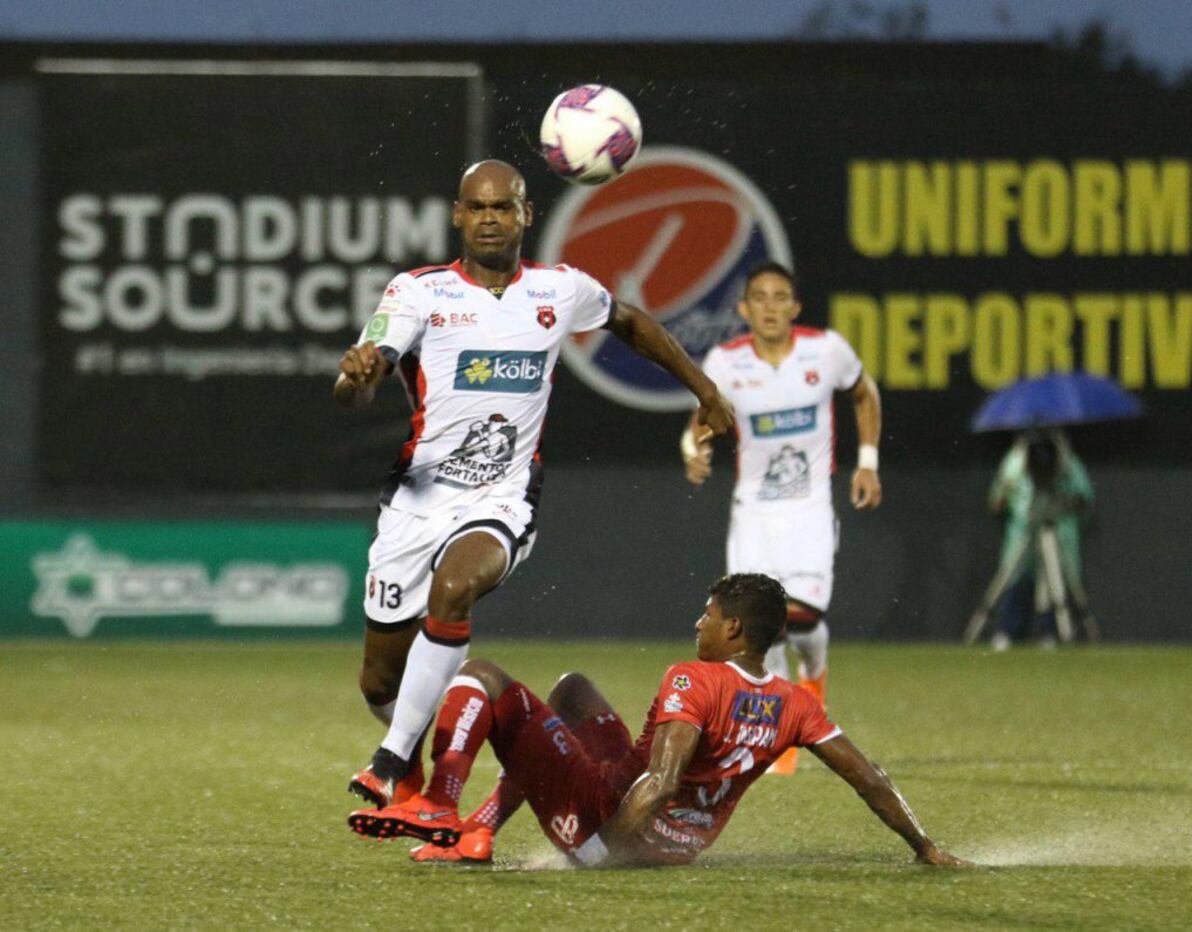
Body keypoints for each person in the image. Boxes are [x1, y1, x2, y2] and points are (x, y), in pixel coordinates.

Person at [335, 160, 734, 810]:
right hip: (418, 502)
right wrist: (356, 378)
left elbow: (629, 321)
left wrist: (705, 388)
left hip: (503, 498)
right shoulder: (418, 293)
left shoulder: (560, 290)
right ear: (458, 216)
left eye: (504, 207)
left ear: (527, 215)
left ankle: (393, 763)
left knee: (455, 587)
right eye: (478, 207)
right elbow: (362, 373)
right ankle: (416, 752)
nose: (490, 218)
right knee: (380, 680)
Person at [347, 573, 965, 869]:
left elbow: (662, 780)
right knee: (572, 691)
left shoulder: (693, 677)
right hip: (681, 844)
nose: (698, 624)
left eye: (708, 614)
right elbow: (870, 778)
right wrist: (925, 847)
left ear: (733, 630)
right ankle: (479, 830)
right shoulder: (796, 701)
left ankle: (440, 805)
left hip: (612, 819)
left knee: (480, 674)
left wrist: (599, 853)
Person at [680, 262, 882, 771]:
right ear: (744, 309)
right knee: (752, 628)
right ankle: (777, 734)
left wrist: (868, 462)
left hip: (809, 509)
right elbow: (701, 422)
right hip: (754, 513)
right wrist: (693, 447)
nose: (770, 307)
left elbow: (864, 392)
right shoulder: (726, 363)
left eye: (780, 298)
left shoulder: (826, 351)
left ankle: (814, 673)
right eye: (760, 298)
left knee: (805, 619)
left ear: (794, 307)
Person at [984, 430, 1096, 650]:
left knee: (1057, 581)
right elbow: (997, 500)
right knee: (1016, 578)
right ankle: (1009, 630)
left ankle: (1051, 632)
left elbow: (1084, 498)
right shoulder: (1014, 461)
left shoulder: (1067, 463)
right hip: (1023, 531)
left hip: (1058, 530)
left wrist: (1064, 501)